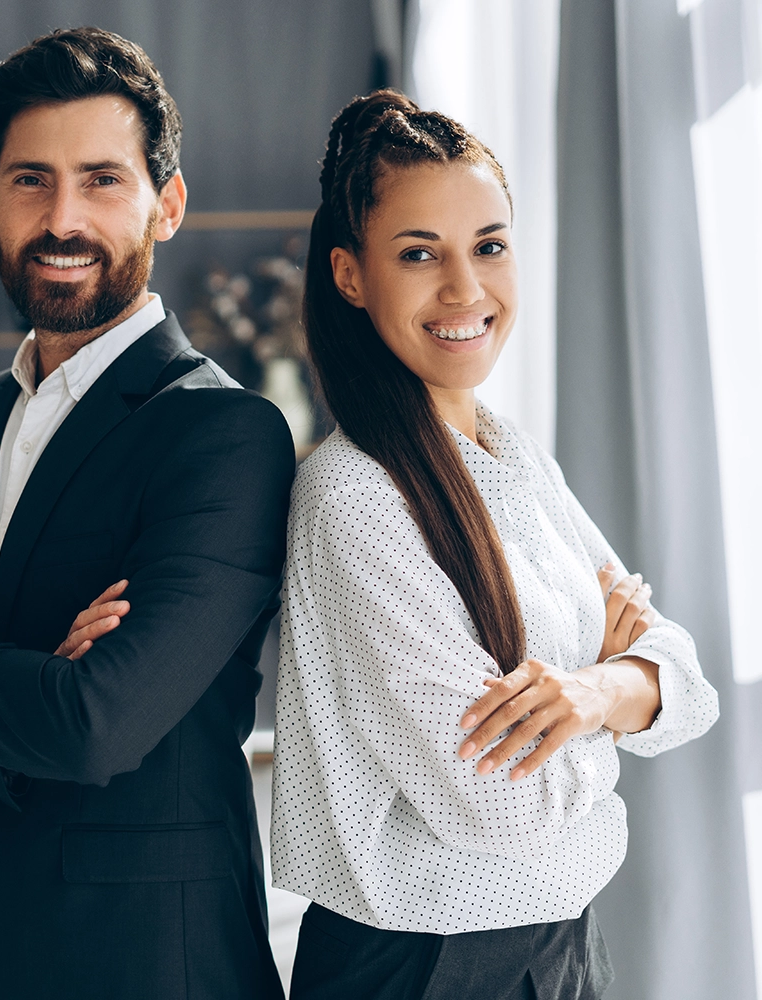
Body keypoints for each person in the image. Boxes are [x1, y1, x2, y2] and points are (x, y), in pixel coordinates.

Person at [0, 27, 293, 1000]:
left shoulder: (226, 433)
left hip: (143, 960)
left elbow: (94, 724)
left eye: (101, 180)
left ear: (167, 204)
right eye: (30, 181)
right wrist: (27, 684)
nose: (62, 217)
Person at [270, 90, 719, 1000]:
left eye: (489, 246)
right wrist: (619, 701)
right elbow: (496, 805)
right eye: (418, 254)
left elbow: (692, 688)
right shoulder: (354, 496)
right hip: (423, 967)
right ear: (351, 276)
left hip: (563, 944)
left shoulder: (513, 453)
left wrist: (588, 691)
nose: (465, 289)